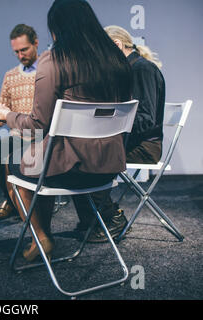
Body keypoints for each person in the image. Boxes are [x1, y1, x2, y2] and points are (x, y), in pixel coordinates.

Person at [0, 0, 132, 261]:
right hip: (107, 171)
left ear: (56, 30)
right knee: (39, 158)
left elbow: (37, 124)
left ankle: (42, 236)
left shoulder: (54, 60)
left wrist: (7, 116)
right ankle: (45, 236)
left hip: (73, 169)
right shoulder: (117, 60)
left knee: (15, 162)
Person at [71, 25, 166, 242]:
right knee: (75, 154)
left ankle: (111, 218)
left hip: (145, 148)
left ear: (116, 45)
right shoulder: (128, 71)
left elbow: (145, 118)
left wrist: (108, 133)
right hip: (129, 143)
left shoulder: (142, 69)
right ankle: (93, 220)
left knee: (86, 159)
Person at [0, 24, 39, 220]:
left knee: (18, 153)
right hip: (17, 135)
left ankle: (26, 201)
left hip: (41, 134)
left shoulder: (47, 73)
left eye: (24, 49)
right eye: (16, 51)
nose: (20, 55)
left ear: (36, 43)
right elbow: (2, 107)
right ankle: (12, 198)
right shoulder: (10, 76)